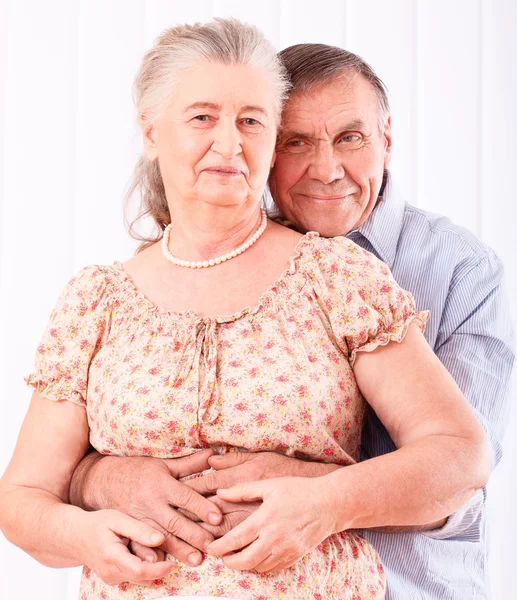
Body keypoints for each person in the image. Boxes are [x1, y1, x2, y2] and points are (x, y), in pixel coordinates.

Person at [0, 20, 490, 600]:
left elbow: (460, 456)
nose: (229, 144)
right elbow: (23, 498)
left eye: (251, 121)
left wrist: (326, 501)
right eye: (203, 117)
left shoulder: (336, 276)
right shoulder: (95, 301)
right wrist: (82, 533)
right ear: (152, 130)